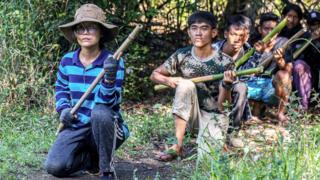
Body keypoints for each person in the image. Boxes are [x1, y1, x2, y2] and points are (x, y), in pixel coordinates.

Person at [44, 4, 129, 180]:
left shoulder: (113, 62)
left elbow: (108, 103)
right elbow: (61, 89)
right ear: (75, 34)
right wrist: (64, 110)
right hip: (76, 124)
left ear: (101, 33)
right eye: (80, 28)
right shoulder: (67, 61)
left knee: (99, 112)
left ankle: (106, 169)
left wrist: (110, 78)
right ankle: (89, 159)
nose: (85, 32)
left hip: (106, 125)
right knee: (54, 167)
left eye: (91, 27)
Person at [150, 11, 232, 161]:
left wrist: (226, 85)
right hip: (189, 116)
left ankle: (219, 141)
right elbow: (154, 74)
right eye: (194, 28)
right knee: (185, 85)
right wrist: (169, 81)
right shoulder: (182, 55)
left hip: (213, 115)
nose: (198, 33)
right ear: (189, 32)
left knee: (208, 159)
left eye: (204, 28)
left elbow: (223, 107)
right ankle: (177, 145)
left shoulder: (225, 62)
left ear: (213, 32)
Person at [243, 12, 293, 125]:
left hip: (272, 88)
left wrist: (280, 61)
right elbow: (244, 71)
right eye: (266, 29)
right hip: (252, 85)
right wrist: (261, 53)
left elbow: (289, 71)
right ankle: (252, 113)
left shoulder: (284, 43)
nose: (270, 33)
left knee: (283, 75)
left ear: (278, 30)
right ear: (260, 29)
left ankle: (280, 114)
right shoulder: (251, 43)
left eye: (273, 29)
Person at [215, 15, 254, 148]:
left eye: (241, 35)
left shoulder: (251, 52)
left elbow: (248, 78)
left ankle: (232, 132)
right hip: (213, 89)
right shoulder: (213, 50)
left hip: (234, 87)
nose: (237, 39)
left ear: (247, 36)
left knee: (242, 87)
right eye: (233, 34)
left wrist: (231, 81)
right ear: (226, 34)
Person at [293, 10, 320, 110]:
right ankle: (303, 106)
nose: (316, 27)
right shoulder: (303, 37)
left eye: (318, 24)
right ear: (308, 25)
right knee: (298, 65)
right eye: (312, 24)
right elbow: (297, 57)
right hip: (308, 75)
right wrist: (311, 40)